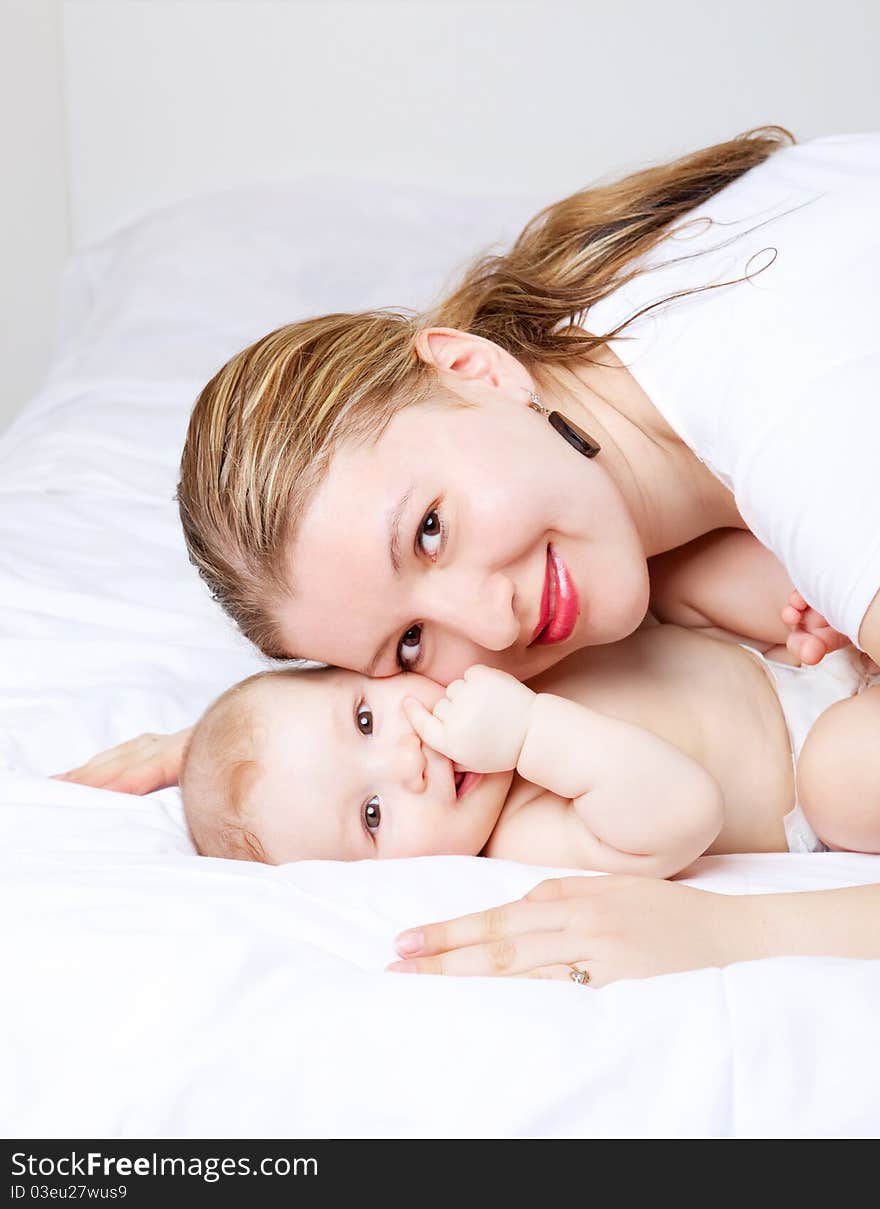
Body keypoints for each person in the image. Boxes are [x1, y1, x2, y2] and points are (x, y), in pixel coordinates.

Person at [61, 126, 880, 985]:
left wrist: (729, 938)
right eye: (408, 645)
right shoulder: (618, 321)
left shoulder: (814, 445)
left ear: (472, 368)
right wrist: (252, 743)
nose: (491, 620)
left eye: (428, 530)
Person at [180, 627, 880, 876]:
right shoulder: (522, 837)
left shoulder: (481, 665)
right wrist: (528, 734)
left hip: (794, 665)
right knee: (837, 775)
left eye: (364, 717)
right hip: (813, 771)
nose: (405, 759)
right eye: (371, 814)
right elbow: (686, 811)